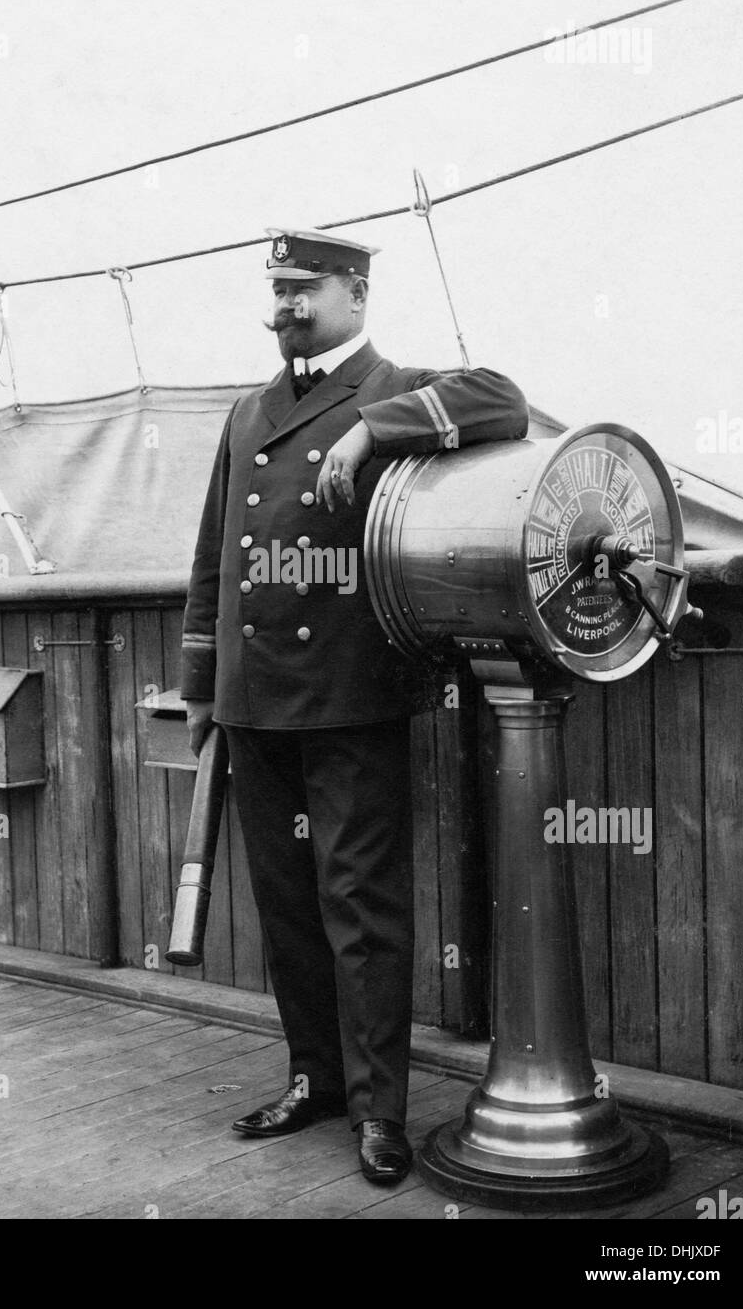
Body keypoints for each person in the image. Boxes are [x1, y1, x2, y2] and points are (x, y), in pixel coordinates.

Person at [181, 227, 528, 1184]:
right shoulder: (247, 412)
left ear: (357, 298)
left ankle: (381, 1112)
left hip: (350, 697)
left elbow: (504, 399)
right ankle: (315, 1080)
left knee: (361, 912)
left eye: (305, 291)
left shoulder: (392, 387)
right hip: (254, 705)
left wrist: (375, 429)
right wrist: (201, 688)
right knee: (288, 908)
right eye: (278, 292)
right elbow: (215, 558)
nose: (286, 307)